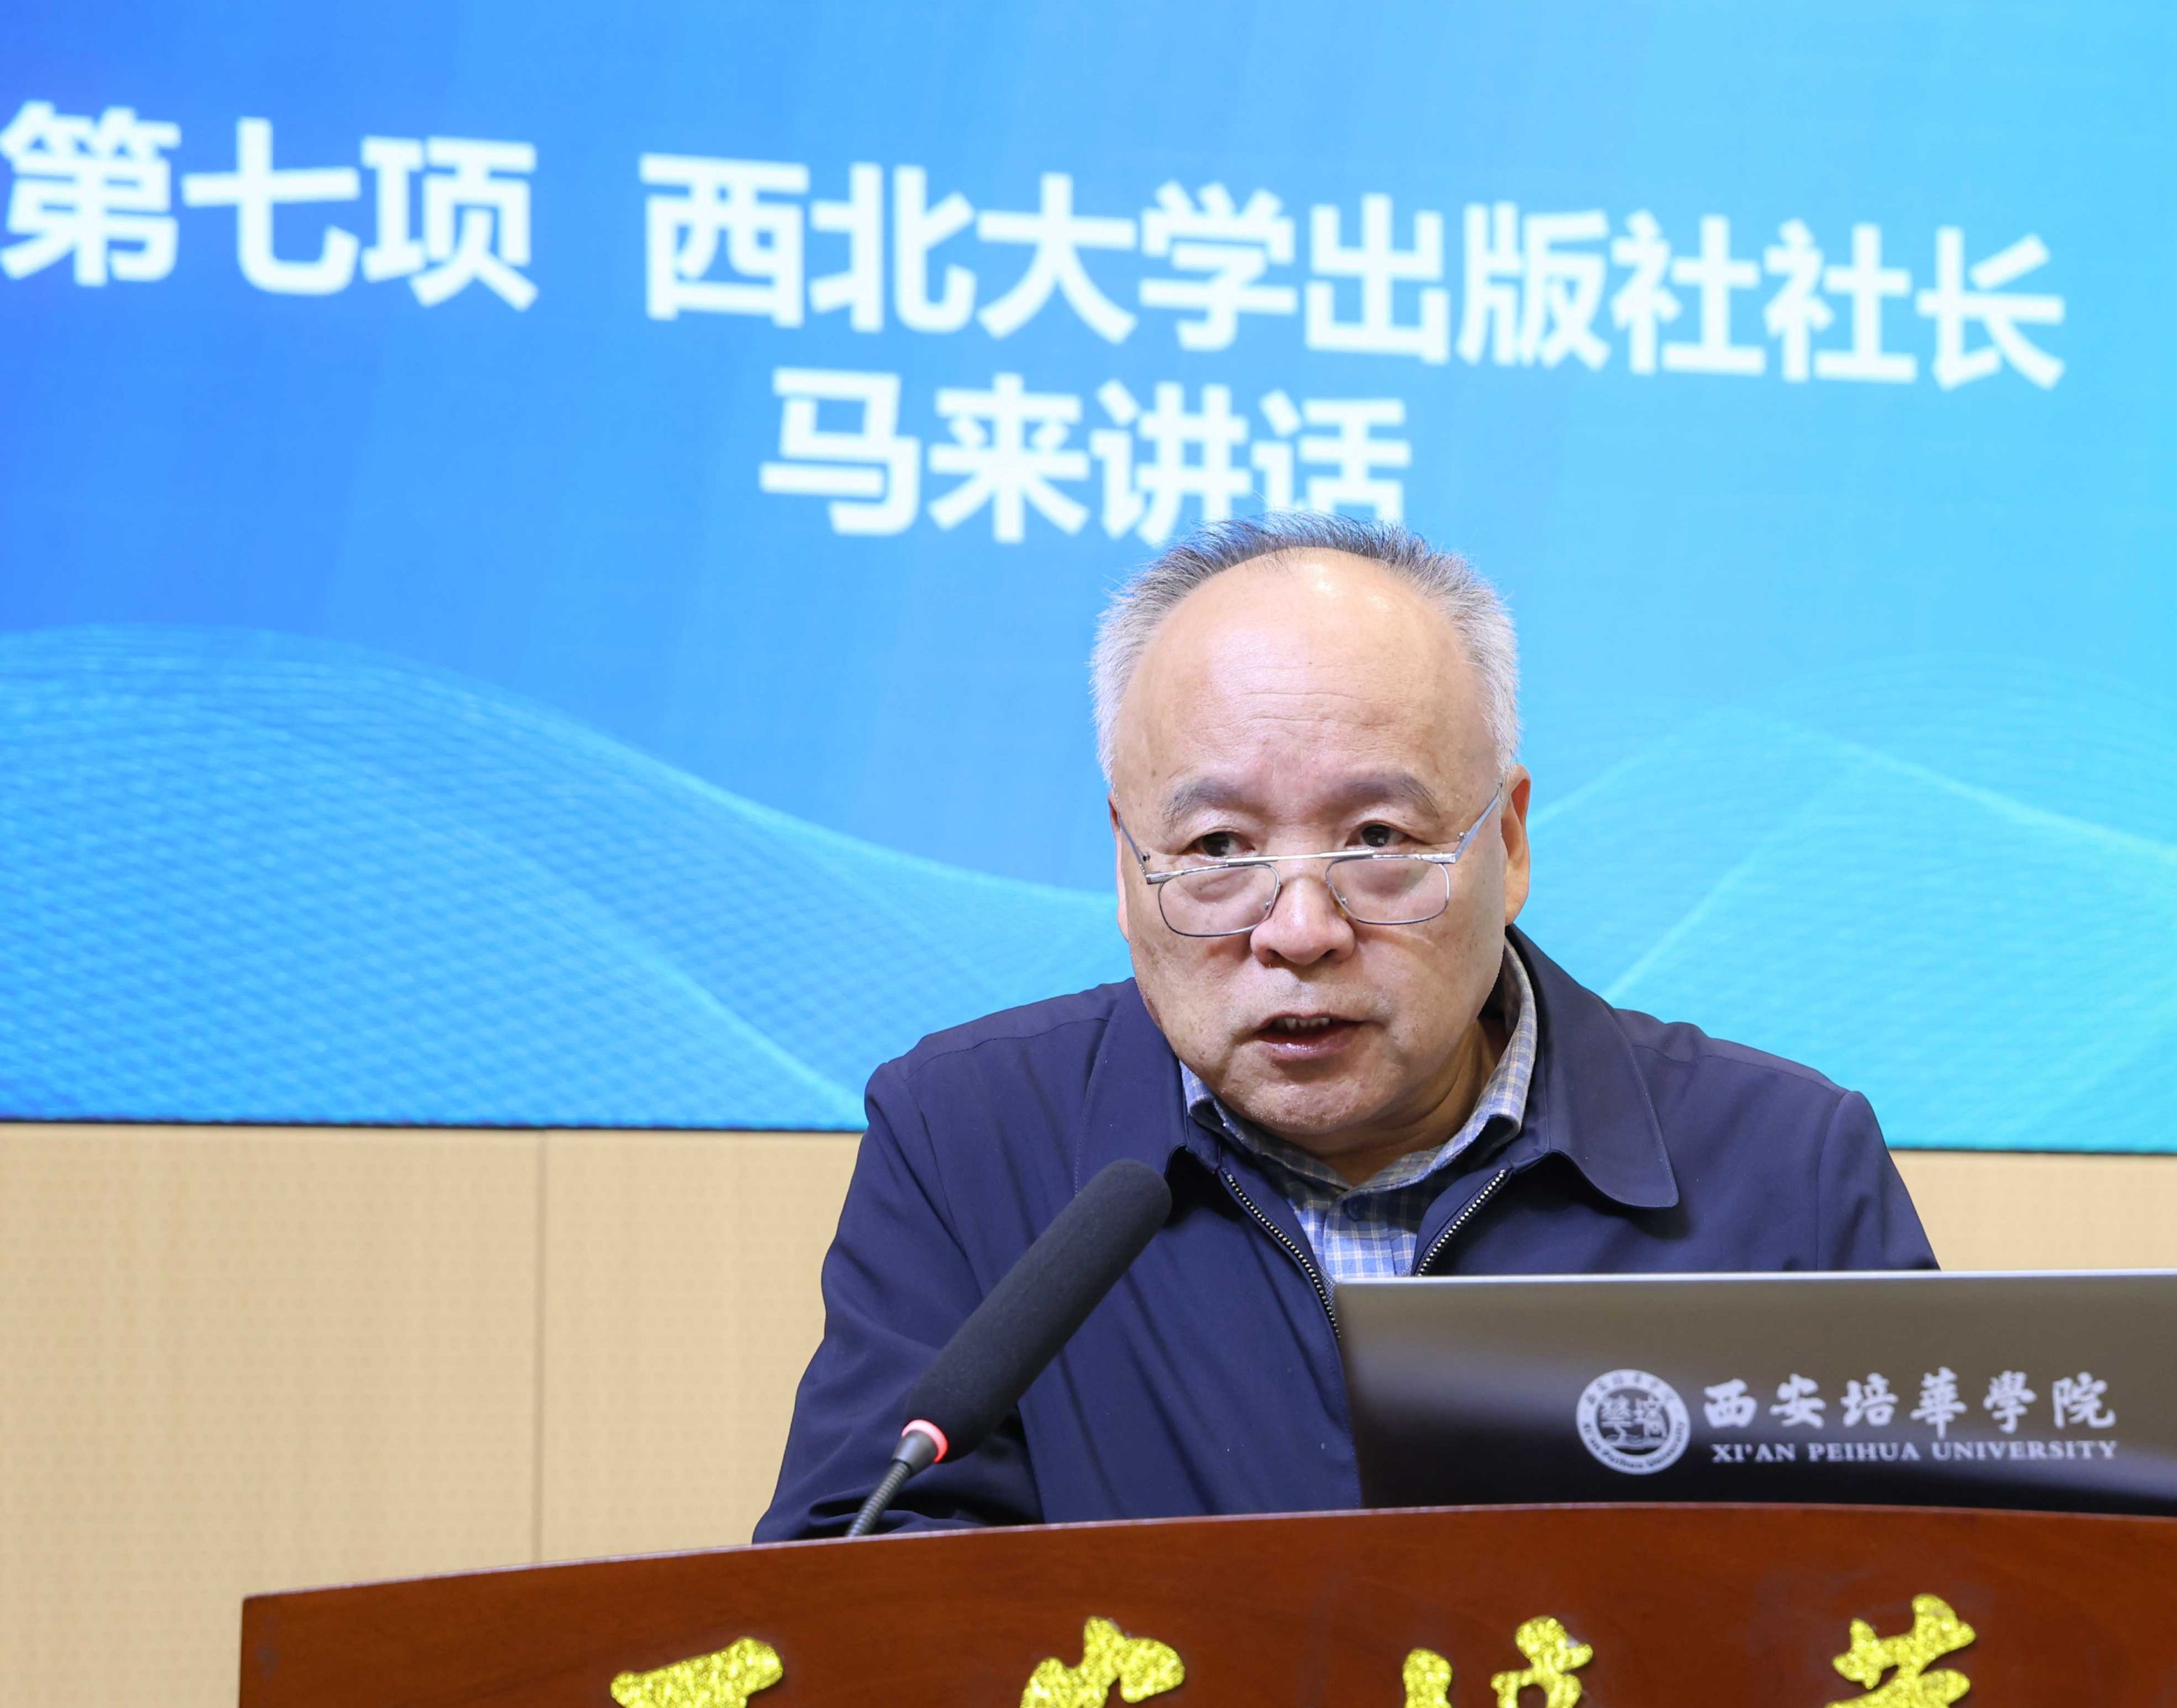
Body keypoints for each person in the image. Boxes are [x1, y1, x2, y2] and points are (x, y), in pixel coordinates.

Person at [757, 516, 1935, 1537]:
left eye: (1377, 839)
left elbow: (1942, 1611)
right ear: (1126, 865)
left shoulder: (1783, 1166)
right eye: (1219, 848)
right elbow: (862, 1602)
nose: (1301, 929)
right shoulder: (969, 1141)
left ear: (1509, 843)